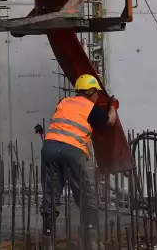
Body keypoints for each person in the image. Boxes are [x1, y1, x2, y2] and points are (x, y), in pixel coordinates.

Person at [41, 74, 118, 249]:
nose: (98, 96)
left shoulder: (64, 102)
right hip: (72, 150)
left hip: (49, 148)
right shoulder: (91, 107)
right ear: (90, 92)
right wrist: (113, 106)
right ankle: (91, 239)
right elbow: (109, 122)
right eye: (96, 92)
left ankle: (47, 238)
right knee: (84, 194)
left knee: (51, 195)